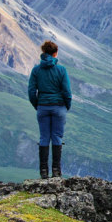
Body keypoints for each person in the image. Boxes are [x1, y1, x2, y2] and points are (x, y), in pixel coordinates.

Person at [28, 40, 72, 179]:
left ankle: (43, 172)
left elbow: (31, 91)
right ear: (55, 53)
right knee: (57, 137)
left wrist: (38, 105)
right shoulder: (61, 70)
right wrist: (67, 105)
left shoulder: (36, 70)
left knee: (44, 137)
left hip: (43, 107)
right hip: (59, 107)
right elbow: (67, 91)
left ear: (43, 52)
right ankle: (56, 171)